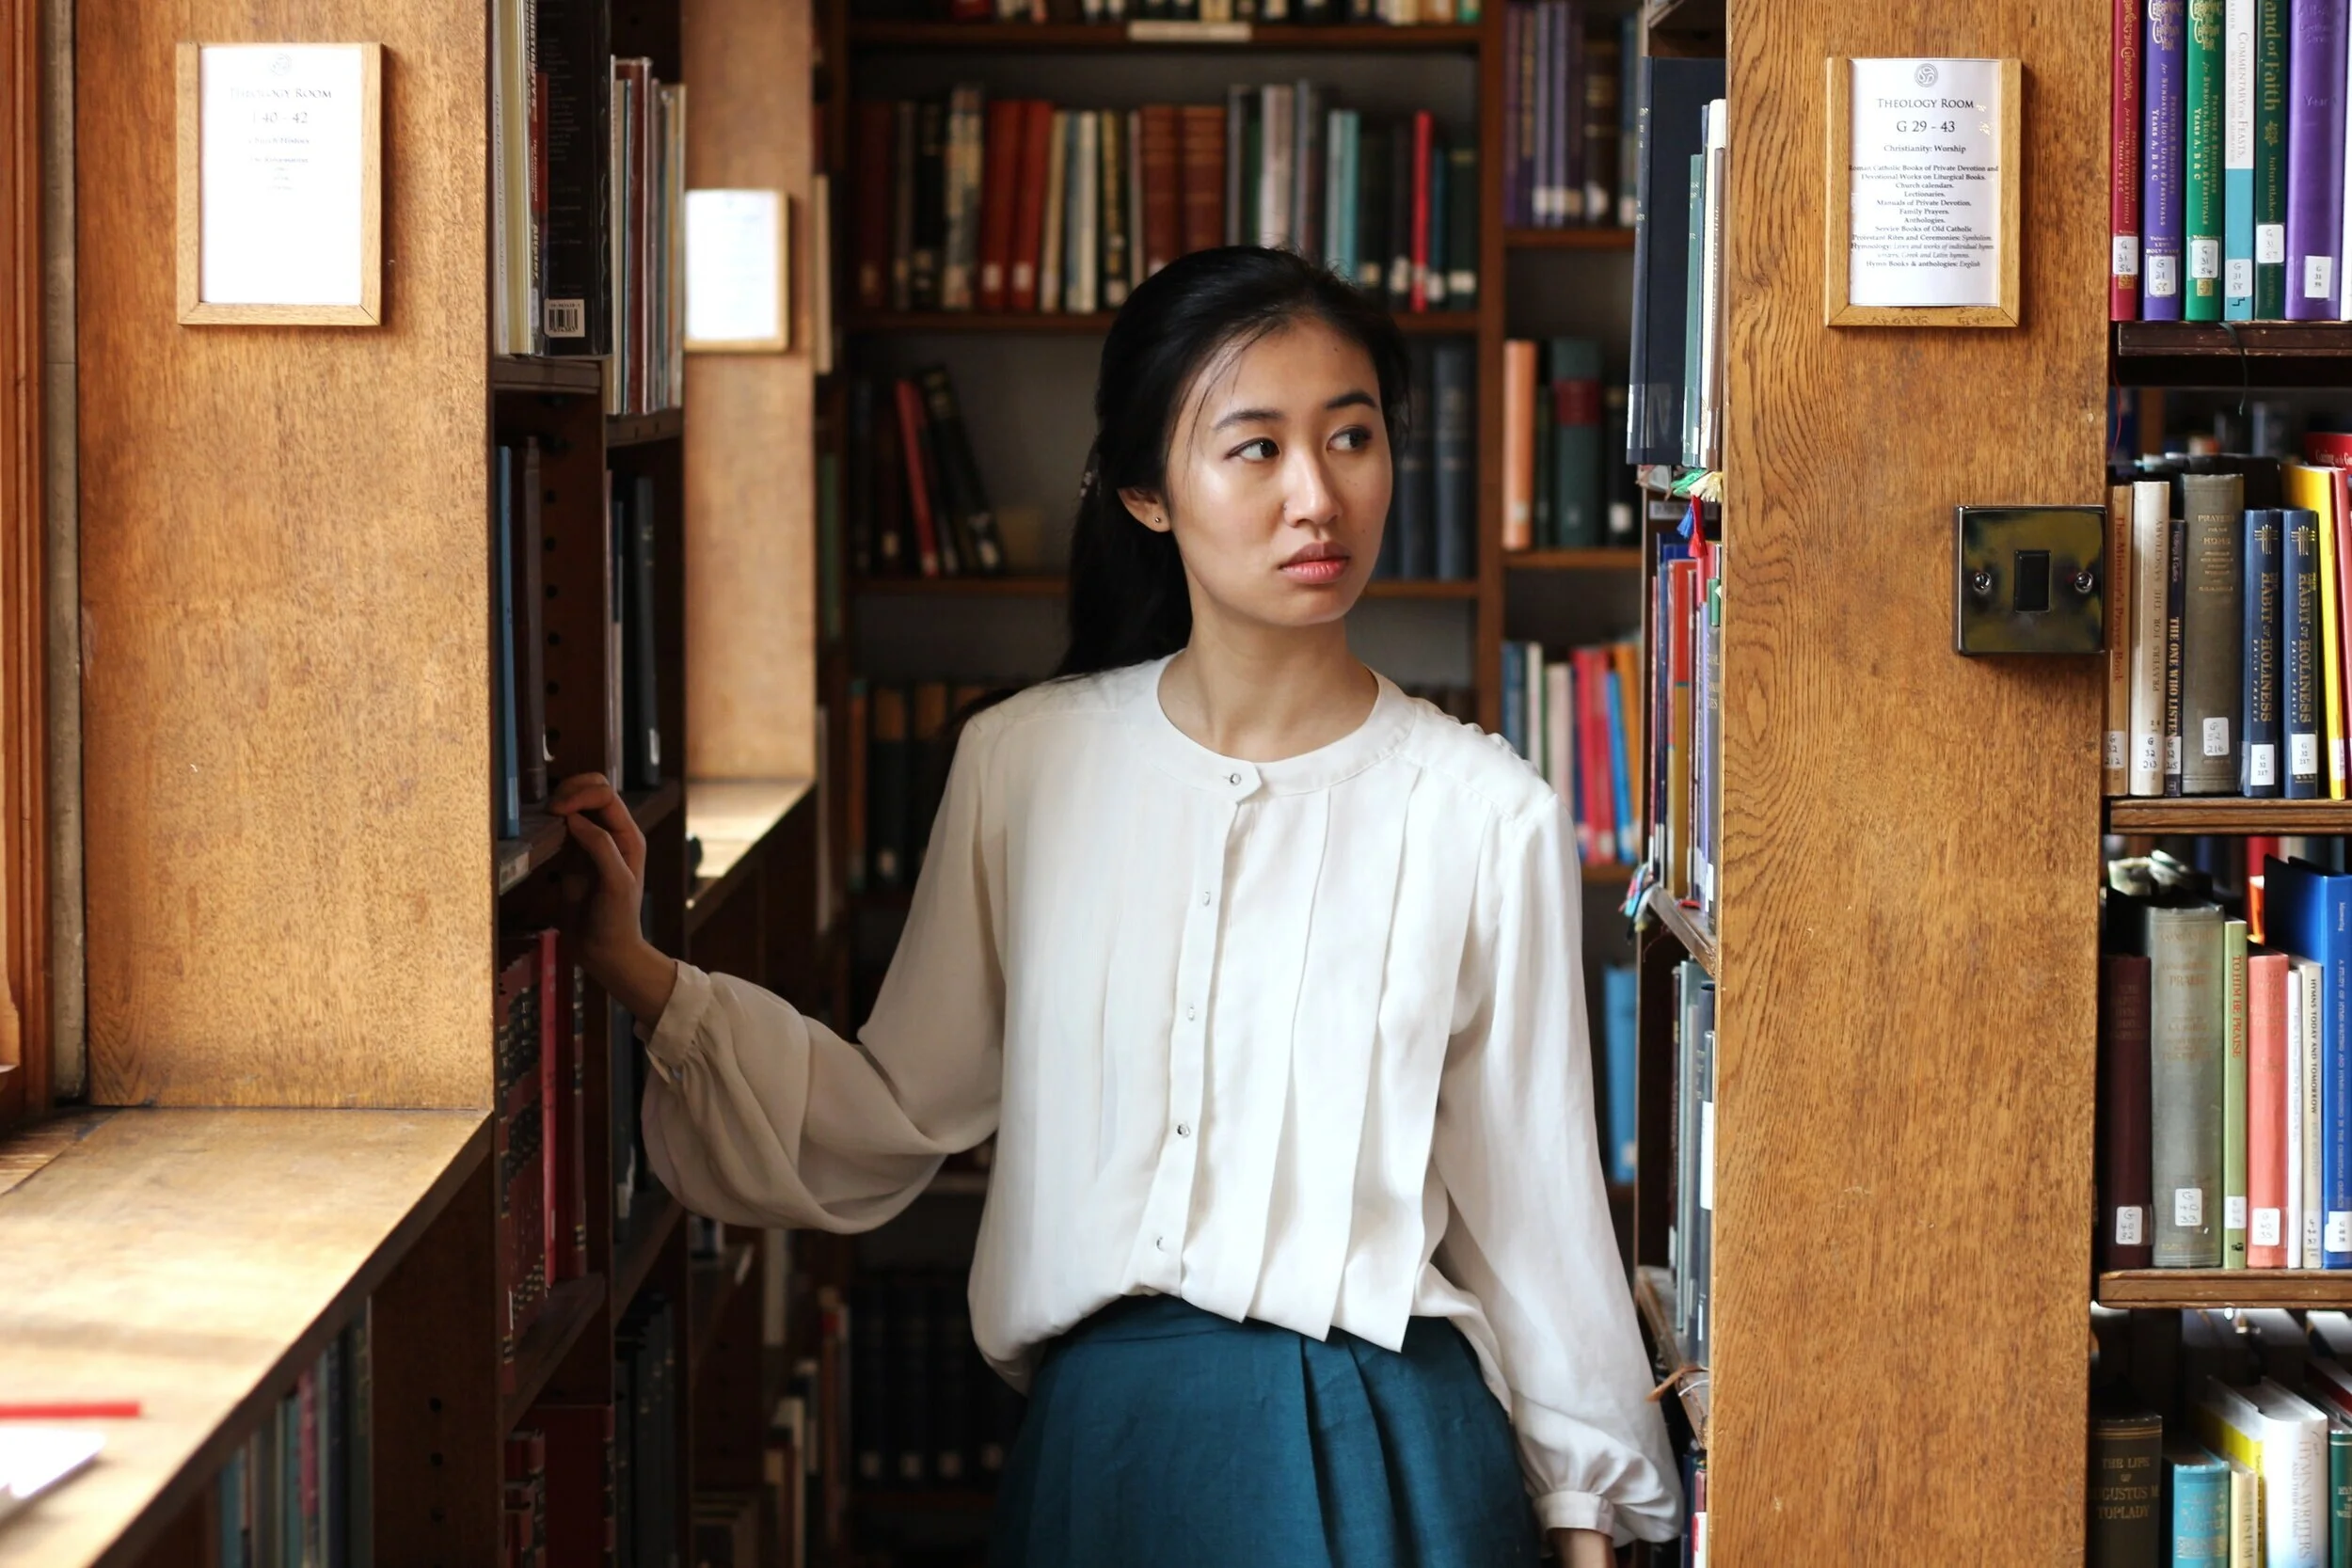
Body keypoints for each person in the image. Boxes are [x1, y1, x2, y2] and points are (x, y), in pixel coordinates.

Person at [552, 245, 1678, 1567]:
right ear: (1147, 491)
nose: (1318, 495)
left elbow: (1536, 1211)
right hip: (1111, 1456)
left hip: (1393, 1450)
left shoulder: (1488, 812)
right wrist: (640, 973)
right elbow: (898, 1107)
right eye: (1254, 448)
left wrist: (1586, 1518)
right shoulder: (1023, 765)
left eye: (1354, 436)